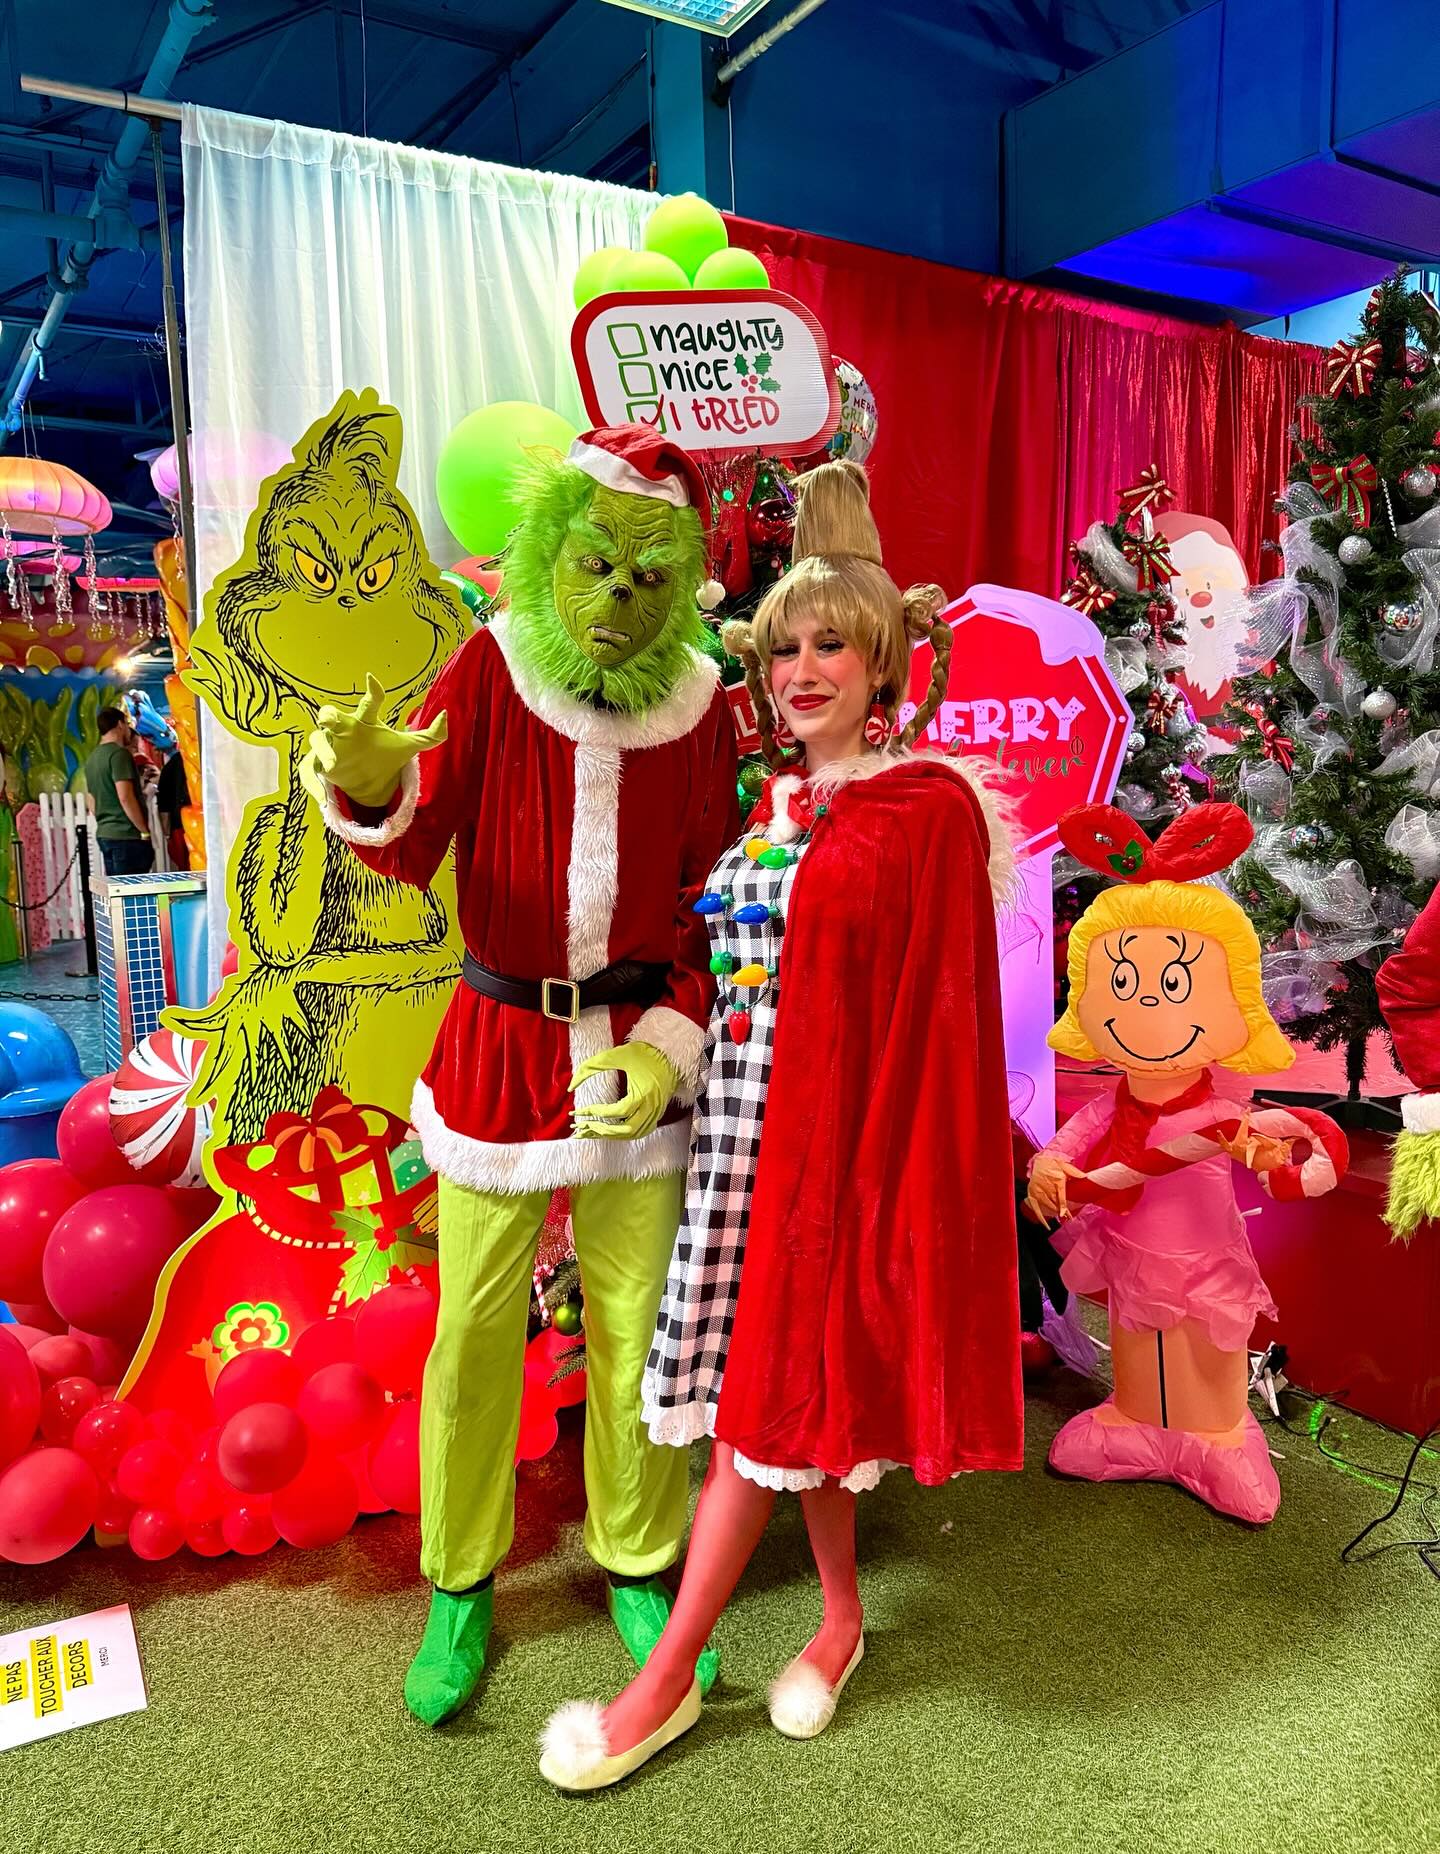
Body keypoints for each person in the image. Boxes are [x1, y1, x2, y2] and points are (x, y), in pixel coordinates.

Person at [539, 460, 1023, 1792]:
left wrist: (879, 1182)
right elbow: (735, 977)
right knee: (797, 1408)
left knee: (769, 1407)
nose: (803, 671)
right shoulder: (775, 809)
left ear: (884, 664)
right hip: (738, 1148)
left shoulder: (919, 811)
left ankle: (664, 1680)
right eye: (787, 648)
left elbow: (930, 1027)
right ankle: (842, 1617)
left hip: (835, 1158)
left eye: (832, 647)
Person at [303, 424, 738, 1726]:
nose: (616, 601)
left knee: (640, 1326)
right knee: (475, 1331)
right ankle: (459, 1581)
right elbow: (410, 842)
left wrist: (669, 1046)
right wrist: (369, 788)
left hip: (637, 1054)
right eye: (596, 565)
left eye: (647, 579)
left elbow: (714, 905)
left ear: (683, 583)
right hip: (498, 1051)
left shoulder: (701, 704)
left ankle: (641, 1561)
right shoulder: (492, 667)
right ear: (550, 551)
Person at [1025, 801, 1346, 1523]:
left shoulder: (1221, 1109)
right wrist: (1050, 1166)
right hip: (1131, 1246)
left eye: (1172, 984)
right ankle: (1137, 1419)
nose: (1146, 1001)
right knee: (1138, 1342)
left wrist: (1270, 1154)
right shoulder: (1115, 1103)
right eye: (1122, 983)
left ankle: (1214, 1436)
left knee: (1206, 1345)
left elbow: (1270, 1156)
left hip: (1203, 1257)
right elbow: (1071, 1143)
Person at [83, 706, 153, 877]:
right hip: (126, 836)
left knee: (115, 889)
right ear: (120, 724)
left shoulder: (92, 758)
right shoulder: (119, 755)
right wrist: (143, 830)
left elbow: (91, 800)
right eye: (127, 724)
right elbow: (125, 797)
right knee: (133, 889)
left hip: (105, 834)